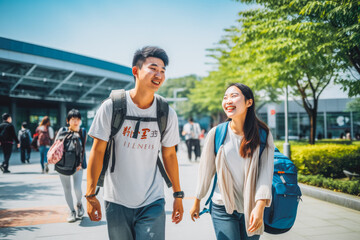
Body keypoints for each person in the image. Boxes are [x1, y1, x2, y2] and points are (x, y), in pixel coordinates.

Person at [86, 46, 184, 240]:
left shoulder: (166, 112)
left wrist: (177, 195)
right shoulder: (111, 107)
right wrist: (90, 195)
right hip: (116, 199)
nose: (159, 74)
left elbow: (170, 155)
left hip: (152, 199)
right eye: (153, 68)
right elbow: (97, 152)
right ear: (135, 71)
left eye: (163, 70)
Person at [190, 83, 275, 240]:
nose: (228, 100)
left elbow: (266, 173)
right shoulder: (216, 133)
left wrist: (260, 206)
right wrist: (197, 200)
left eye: (234, 96)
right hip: (222, 206)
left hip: (252, 206)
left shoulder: (263, 134)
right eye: (225, 97)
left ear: (249, 102)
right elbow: (205, 171)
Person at [54, 109, 87, 223]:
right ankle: (72, 211)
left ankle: (79, 204)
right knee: (67, 189)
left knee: (77, 188)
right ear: (68, 121)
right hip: (63, 164)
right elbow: (56, 146)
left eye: (77, 119)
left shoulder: (82, 131)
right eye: (73, 119)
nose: (75, 122)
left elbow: (82, 151)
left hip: (78, 165)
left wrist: (81, 163)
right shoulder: (62, 130)